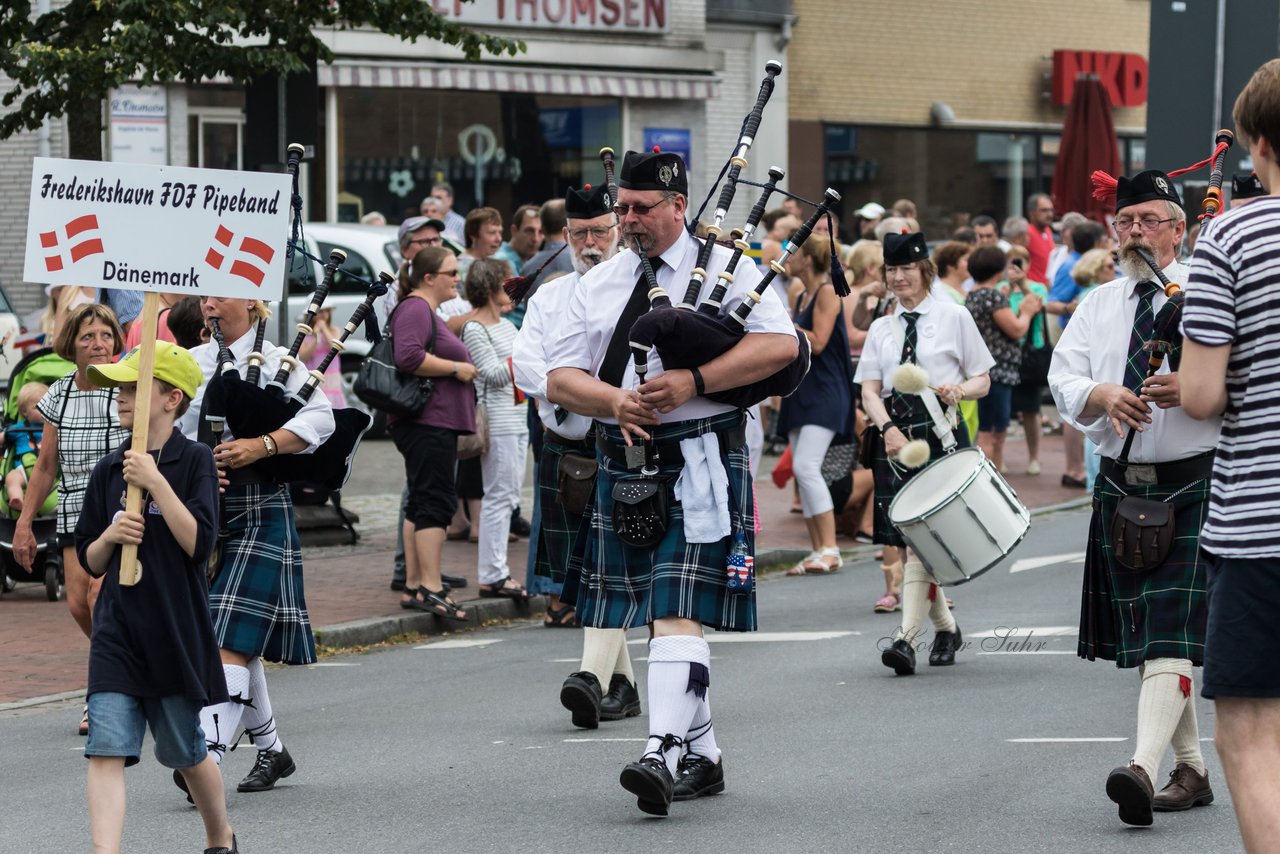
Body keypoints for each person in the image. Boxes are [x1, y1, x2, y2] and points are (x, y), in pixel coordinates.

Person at [547, 148, 798, 815]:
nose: (627, 220)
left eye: (641, 209)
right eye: (620, 208)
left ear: (678, 207)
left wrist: (696, 381)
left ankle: (662, 750)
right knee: (662, 612)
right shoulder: (598, 282)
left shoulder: (731, 268)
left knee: (674, 608)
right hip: (627, 460)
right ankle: (705, 756)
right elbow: (560, 377)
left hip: (705, 454)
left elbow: (782, 346)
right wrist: (614, 402)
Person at [1048, 169, 1217, 828]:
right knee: (1157, 636)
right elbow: (1065, 375)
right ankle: (1194, 770)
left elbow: (1255, 373)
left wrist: (1198, 388)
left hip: (1196, 476)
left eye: (1150, 220)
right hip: (1123, 482)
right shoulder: (1101, 303)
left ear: (1179, 228)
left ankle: (1142, 768)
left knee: (1169, 628)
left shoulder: (1208, 291)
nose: (1137, 232)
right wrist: (1100, 394)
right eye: (1127, 222)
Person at [76, 343, 236, 854]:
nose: (119, 398)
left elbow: (199, 543)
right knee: (105, 749)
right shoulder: (109, 469)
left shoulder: (196, 462)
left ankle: (219, 836)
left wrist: (155, 483)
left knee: (185, 752)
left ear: (171, 398)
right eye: (118, 390)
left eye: (131, 388)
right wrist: (110, 536)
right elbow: (89, 557)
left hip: (173, 631)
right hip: (117, 632)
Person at [175, 295, 336, 799]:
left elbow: (322, 420)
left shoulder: (278, 365)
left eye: (220, 295)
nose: (210, 305)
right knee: (230, 637)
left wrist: (261, 445)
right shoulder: (193, 363)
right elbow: (172, 429)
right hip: (204, 510)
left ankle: (206, 755)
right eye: (204, 297)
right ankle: (272, 749)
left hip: (262, 504)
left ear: (251, 300)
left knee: (229, 638)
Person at [1180, 58, 1280, 852]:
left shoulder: (1231, 236)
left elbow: (1205, 397)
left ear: (1261, 146)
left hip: (1260, 526)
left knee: (1249, 738)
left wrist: (1183, 378)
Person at [513, 181, 641, 727]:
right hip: (568, 445)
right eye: (581, 233)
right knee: (590, 567)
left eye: (601, 232)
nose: (591, 243)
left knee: (605, 564)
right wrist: (571, 396)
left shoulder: (642, 286)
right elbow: (525, 364)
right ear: (565, 236)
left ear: (618, 232)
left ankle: (595, 679)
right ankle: (624, 685)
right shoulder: (550, 297)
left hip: (627, 440)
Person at [856, 231, 993, 675]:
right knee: (911, 540)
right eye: (891, 270)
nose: (898, 278)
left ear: (925, 271)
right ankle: (946, 629)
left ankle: (906, 640)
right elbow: (870, 391)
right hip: (896, 440)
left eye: (906, 269)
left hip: (941, 436)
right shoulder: (881, 326)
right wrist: (888, 430)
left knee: (925, 540)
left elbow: (983, 379)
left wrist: (961, 389)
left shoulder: (954, 316)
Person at [14, 304, 130, 735]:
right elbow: (45, 467)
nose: (98, 344)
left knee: (102, 601)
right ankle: (132, 666)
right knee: (79, 605)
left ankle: (101, 693)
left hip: (119, 507)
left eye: (105, 335)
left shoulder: (128, 383)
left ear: (116, 341)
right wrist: (24, 523)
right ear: (71, 346)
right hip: (74, 511)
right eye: (87, 337)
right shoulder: (59, 392)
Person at [385, 247, 477, 620]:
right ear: (428, 278)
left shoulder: (423, 310)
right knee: (436, 502)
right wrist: (457, 368)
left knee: (421, 500)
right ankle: (431, 586)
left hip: (430, 422)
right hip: (428, 422)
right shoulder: (416, 308)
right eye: (450, 272)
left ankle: (415, 584)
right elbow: (407, 356)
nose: (457, 278)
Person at [778, 233, 855, 575]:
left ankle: (830, 548)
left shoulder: (826, 292)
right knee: (801, 469)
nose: (786, 258)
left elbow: (820, 342)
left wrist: (783, 326)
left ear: (807, 259)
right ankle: (815, 550)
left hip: (826, 391)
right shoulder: (800, 295)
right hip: (804, 391)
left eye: (791, 253)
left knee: (807, 467)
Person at [459, 259, 532, 601]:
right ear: (490, 286)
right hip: (498, 420)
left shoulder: (505, 325)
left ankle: (497, 570)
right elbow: (491, 373)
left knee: (510, 496)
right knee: (498, 497)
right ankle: (492, 574)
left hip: (517, 416)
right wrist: (528, 352)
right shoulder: (475, 328)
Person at [965, 245, 1041, 473]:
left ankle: (993, 475)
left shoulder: (973, 295)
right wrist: (1026, 312)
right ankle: (990, 479)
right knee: (993, 433)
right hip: (996, 372)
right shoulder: (992, 296)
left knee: (991, 430)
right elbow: (1016, 330)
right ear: (998, 270)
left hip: (983, 370)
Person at [1069, 248, 1118, 489]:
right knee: (1096, 424)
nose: (1114, 270)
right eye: (1109, 266)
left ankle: (1092, 478)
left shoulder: (1092, 293)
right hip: (1093, 364)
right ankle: (1093, 477)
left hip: (1095, 362)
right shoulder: (1095, 295)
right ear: (1096, 271)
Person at [1003, 245, 1051, 476]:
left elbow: (1039, 304)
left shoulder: (1036, 287)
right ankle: (999, 456)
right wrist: (1009, 287)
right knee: (1003, 410)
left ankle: (1034, 457)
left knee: (1031, 411)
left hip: (1030, 356)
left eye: (1020, 262)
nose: (1015, 268)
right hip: (1006, 357)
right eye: (1012, 263)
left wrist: (1021, 284)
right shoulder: (1001, 289)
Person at [4, 382, 48, 511]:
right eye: (38, 407)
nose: (44, 410)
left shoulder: (52, 428)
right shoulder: (18, 429)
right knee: (12, 478)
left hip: (48, 470)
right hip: (23, 470)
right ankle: (17, 499)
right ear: (24, 411)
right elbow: (3, 436)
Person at [296, 307, 348, 410]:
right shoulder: (306, 333)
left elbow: (336, 348)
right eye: (320, 312)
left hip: (331, 378)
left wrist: (324, 329)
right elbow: (303, 356)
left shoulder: (334, 330)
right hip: (313, 375)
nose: (323, 314)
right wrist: (315, 337)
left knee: (333, 405)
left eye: (326, 311)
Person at [459, 207, 505, 281]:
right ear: (473, 235)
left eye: (500, 232)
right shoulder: (462, 268)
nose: (499, 239)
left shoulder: (497, 261)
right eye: (492, 233)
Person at [1025, 193, 1056, 284]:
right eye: (1044, 210)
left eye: (1051, 210)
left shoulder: (1048, 231)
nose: (1050, 214)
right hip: (1033, 289)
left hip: (1047, 289)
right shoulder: (1026, 232)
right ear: (1032, 212)